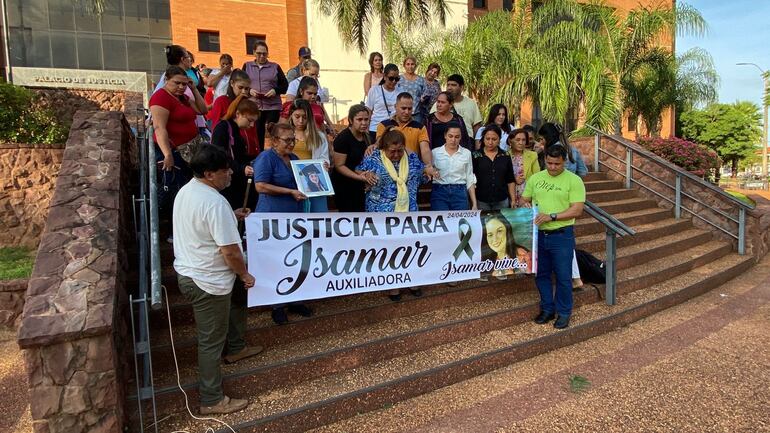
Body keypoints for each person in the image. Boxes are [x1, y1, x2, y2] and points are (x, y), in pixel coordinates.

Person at [173, 145, 263, 415]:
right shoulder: (214, 202)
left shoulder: (189, 191)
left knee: (236, 300)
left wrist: (230, 217)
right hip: (207, 280)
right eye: (226, 170)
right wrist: (245, 274)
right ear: (210, 173)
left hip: (198, 271)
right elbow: (231, 252)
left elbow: (203, 225)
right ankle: (212, 399)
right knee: (210, 341)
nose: (230, 174)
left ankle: (236, 347)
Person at [252, 124, 313, 324]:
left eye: (293, 139)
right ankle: (277, 305)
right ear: (275, 141)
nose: (291, 143)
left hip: (293, 216)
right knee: (275, 261)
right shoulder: (266, 158)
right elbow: (260, 186)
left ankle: (295, 299)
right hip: (272, 216)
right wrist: (289, 192)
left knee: (294, 258)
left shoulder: (294, 159)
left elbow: (303, 181)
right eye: (287, 140)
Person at [356, 128, 426, 301]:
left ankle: (411, 280)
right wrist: (365, 174)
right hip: (381, 212)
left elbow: (421, 175)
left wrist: (428, 172)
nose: (396, 154)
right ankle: (392, 285)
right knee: (389, 249)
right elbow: (359, 170)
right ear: (384, 148)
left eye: (399, 151)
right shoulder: (373, 158)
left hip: (408, 210)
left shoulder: (411, 158)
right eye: (392, 151)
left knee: (410, 246)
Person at [522, 144, 586, 329]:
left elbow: (577, 209)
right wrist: (525, 205)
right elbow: (524, 199)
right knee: (541, 274)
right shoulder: (535, 178)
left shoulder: (574, 181)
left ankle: (564, 312)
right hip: (538, 234)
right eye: (549, 163)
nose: (552, 167)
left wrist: (552, 216)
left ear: (564, 162)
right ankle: (547, 309)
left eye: (556, 164)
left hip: (561, 234)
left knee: (563, 276)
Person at [539, 122, 588, 288]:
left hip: (554, 202)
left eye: (541, 138)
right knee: (568, 245)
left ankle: (573, 278)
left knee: (562, 245)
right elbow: (583, 172)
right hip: (570, 202)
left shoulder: (551, 153)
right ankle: (576, 278)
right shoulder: (571, 149)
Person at [210, 95, 259, 210]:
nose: (251, 125)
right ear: (238, 114)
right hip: (228, 182)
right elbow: (220, 156)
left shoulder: (235, 129)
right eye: (250, 120)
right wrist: (241, 168)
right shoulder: (223, 128)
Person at [285, 99, 331, 212]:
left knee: (318, 216)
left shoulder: (318, 136)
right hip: (290, 179)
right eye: (297, 116)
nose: (301, 121)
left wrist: (325, 165)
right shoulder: (284, 135)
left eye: (304, 117)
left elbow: (324, 158)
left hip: (312, 180)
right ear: (291, 115)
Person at [242, 41, 288, 151]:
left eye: (264, 53)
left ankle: (276, 153)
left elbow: (284, 85)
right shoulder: (247, 66)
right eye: (259, 53)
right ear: (254, 53)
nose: (262, 56)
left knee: (272, 130)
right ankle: (259, 155)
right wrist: (249, 91)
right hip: (254, 105)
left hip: (272, 106)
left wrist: (275, 90)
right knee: (257, 132)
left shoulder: (275, 67)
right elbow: (241, 83)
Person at [332, 105, 378, 212]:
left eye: (366, 119)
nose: (364, 123)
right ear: (350, 120)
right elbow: (339, 166)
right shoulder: (343, 138)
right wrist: (360, 177)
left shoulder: (368, 137)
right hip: (345, 186)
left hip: (363, 186)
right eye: (359, 119)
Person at [209, 70, 260, 157]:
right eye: (240, 87)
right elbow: (216, 127)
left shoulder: (248, 103)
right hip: (231, 151)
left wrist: (256, 149)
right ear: (232, 83)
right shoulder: (222, 101)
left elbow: (253, 130)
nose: (244, 91)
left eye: (247, 89)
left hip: (249, 150)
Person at [430, 122, 477, 210]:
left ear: (461, 137)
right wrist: (432, 172)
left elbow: (470, 178)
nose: (453, 140)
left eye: (457, 137)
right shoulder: (435, 153)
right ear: (445, 136)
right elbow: (427, 171)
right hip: (440, 190)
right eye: (450, 136)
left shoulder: (466, 153)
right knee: (441, 221)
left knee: (460, 221)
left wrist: (474, 203)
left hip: (460, 191)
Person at [376, 92, 430, 162]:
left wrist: (428, 166)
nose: (407, 112)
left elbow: (425, 150)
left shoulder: (420, 127)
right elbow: (379, 146)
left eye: (409, 109)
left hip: (411, 168)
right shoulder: (383, 125)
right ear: (395, 107)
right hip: (388, 167)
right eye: (403, 108)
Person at [472, 125, 516, 210]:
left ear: (499, 140)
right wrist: (473, 202)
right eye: (487, 139)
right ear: (483, 139)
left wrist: (513, 199)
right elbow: (471, 180)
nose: (490, 142)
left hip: (502, 199)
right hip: (481, 200)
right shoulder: (476, 156)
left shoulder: (505, 155)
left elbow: (510, 179)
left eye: (494, 139)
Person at [431, 74, 482, 138]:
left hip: (467, 142)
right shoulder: (439, 104)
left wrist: (475, 144)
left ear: (461, 87)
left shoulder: (471, 103)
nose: (449, 88)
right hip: (445, 141)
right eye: (448, 85)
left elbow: (476, 126)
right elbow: (431, 123)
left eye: (453, 85)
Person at [480, 213, 522, 279]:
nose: (495, 239)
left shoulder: (523, 255)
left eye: (499, 231)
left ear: (507, 230)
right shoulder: (485, 261)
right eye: (490, 235)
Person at [365, 63, 400, 143]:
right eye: (391, 78)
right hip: (375, 129)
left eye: (397, 79)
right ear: (384, 76)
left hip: (393, 130)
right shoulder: (374, 90)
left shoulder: (400, 92)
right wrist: (366, 130)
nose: (394, 81)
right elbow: (368, 110)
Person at [507, 128, 541, 208]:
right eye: (517, 140)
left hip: (527, 195)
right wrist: (514, 179)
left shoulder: (533, 155)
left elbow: (537, 177)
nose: (521, 143)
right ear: (510, 141)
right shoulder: (504, 155)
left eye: (523, 140)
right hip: (508, 195)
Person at [397, 56, 426, 124]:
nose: (410, 66)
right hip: (402, 113)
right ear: (404, 66)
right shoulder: (399, 79)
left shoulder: (421, 80)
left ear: (415, 66)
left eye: (412, 64)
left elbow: (424, 93)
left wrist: (423, 98)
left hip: (416, 114)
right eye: (408, 64)